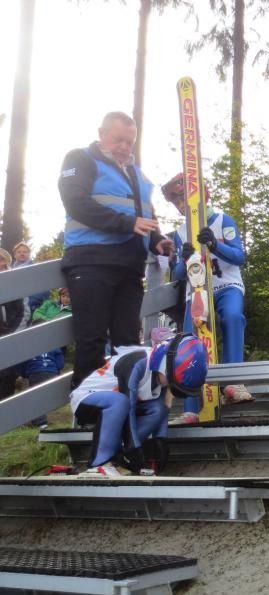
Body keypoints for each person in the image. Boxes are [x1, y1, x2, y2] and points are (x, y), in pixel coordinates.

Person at [58, 111, 175, 389]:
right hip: (90, 262)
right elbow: (75, 203)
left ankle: (128, 402)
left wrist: (156, 239)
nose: (124, 147)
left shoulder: (137, 173)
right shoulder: (80, 159)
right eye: (118, 139)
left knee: (128, 342)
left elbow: (144, 214)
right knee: (92, 338)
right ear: (102, 134)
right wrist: (127, 224)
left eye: (130, 142)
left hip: (129, 268)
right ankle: (88, 411)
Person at [161, 173, 252, 423]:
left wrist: (214, 245)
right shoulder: (179, 233)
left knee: (233, 317)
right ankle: (191, 407)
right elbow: (178, 275)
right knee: (190, 338)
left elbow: (239, 256)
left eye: (184, 197)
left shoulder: (223, 219)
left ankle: (234, 384)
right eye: (176, 200)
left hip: (227, 285)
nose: (181, 204)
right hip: (198, 292)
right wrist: (185, 258)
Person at [70, 333, 208, 476]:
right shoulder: (137, 363)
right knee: (120, 401)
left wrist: (160, 441)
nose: (169, 386)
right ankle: (99, 463)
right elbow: (128, 404)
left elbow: (162, 409)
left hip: (121, 408)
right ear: (164, 366)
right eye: (171, 381)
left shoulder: (161, 375)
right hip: (87, 399)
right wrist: (134, 449)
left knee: (158, 409)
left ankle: (119, 457)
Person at [18, 287, 71, 428]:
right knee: (43, 395)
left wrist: (24, 374)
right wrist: (57, 369)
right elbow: (59, 360)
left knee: (36, 397)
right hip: (51, 371)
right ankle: (41, 417)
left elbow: (22, 363)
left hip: (35, 373)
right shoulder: (53, 345)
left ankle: (41, 422)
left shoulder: (28, 347)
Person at [0, 248, 25, 400]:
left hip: (9, 330)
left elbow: (20, 310)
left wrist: (12, 328)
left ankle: (7, 402)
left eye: (2, 259)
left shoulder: (13, 280)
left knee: (8, 369)